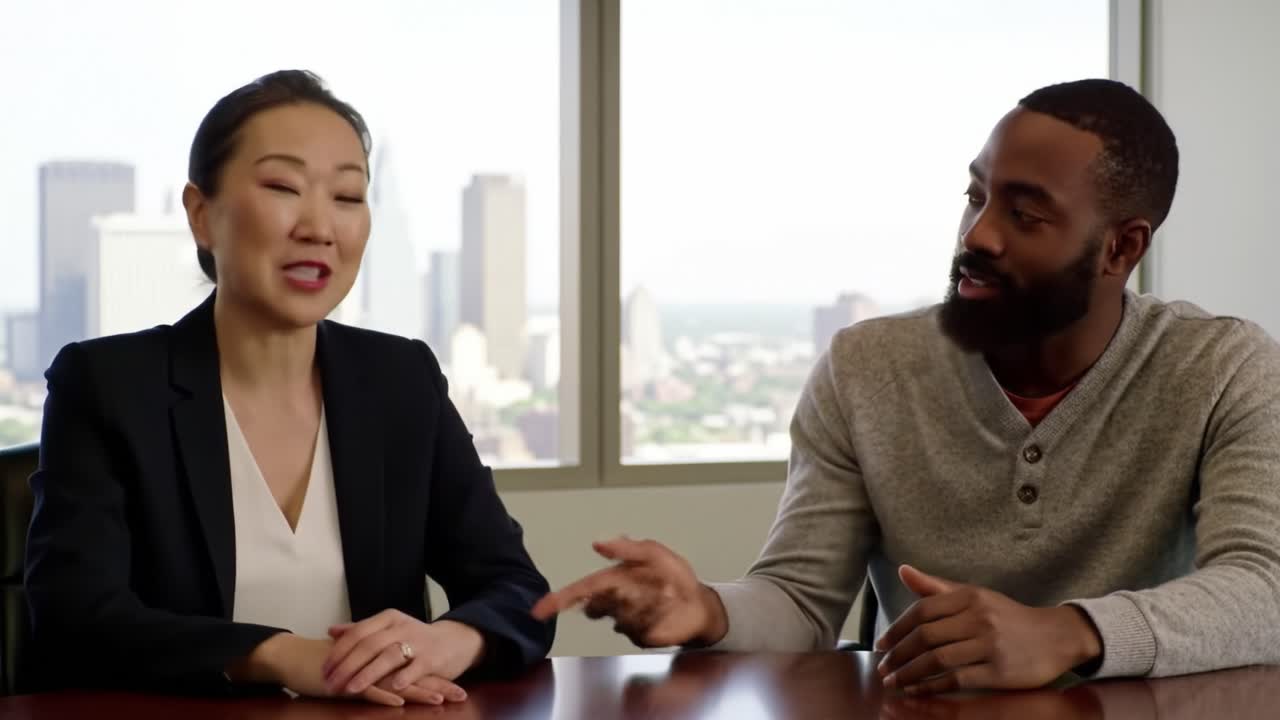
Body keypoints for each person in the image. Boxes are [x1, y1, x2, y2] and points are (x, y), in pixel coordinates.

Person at [532, 78, 1280, 693]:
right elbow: (798, 600)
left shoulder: (1222, 368)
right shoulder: (867, 368)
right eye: (975, 196)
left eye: (1023, 214)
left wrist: (1067, 632)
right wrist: (706, 611)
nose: (978, 235)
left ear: (1120, 247)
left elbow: (1264, 590)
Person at [24, 70, 554, 706]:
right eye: (282, 187)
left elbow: (519, 590)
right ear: (201, 215)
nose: (319, 226)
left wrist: (455, 638)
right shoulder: (108, 385)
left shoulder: (400, 381)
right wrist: (281, 655)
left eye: (348, 197)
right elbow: (73, 618)